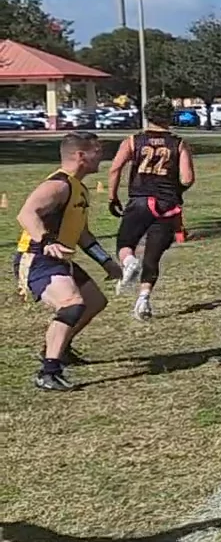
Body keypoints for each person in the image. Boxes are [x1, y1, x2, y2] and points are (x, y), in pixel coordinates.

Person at [16, 133, 118, 391]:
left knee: (95, 302)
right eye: (97, 151)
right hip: (38, 258)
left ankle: (58, 348)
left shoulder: (78, 188)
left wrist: (106, 262)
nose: (102, 156)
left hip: (59, 258)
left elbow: (82, 235)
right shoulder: (59, 185)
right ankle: (48, 372)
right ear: (80, 155)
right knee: (72, 304)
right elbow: (26, 214)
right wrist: (46, 240)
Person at [106, 97, 195, 320]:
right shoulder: (178, 143)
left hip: (139, 200)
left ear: (147, 115)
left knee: (125, 244)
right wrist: (175, 191)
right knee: (153, 255)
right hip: (166, 205)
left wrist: (112, 197)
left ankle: (129, 262)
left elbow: (115, 168)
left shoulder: (133, 141)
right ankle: (143, 299)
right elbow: (187, 178)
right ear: (169, 116)